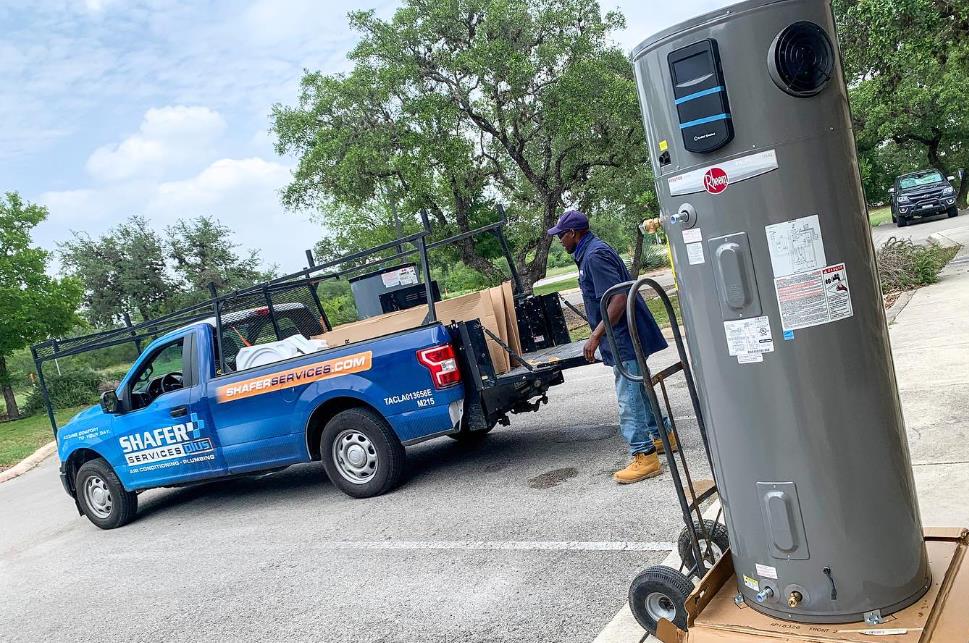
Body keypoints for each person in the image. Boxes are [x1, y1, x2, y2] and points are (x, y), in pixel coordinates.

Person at [548, 210, 676, 484]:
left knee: (628, 393)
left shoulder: (594, 256)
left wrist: (594, 337)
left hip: (623, 337)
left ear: (573, 233)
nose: (559, 240)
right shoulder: (591, 252)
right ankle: (664, 436)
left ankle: (645, 456)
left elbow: (617, 300)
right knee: (639, 387)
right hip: (622, 334)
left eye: (561, 234)